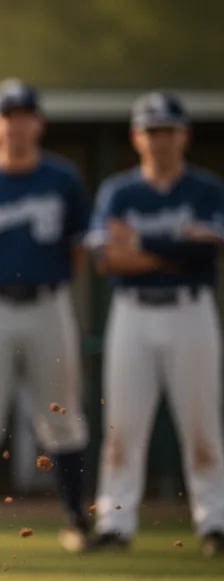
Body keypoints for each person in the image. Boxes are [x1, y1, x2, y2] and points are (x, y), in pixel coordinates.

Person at [0, 79, 91, 551]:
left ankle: (76, 520)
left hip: (49, 302)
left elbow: (78, 250)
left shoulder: (62, 178)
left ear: (38, 123)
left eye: (25, 114)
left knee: (62, 414)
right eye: (7, 116)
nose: (16, 125)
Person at [86, 92, 224, 557]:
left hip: (192, 311)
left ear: (183, 136)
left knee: (202, 422)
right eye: (151, 131)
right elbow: (108, 259)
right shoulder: (120, 191)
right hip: (133, 313)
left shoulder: (206, 189)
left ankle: (216, 523)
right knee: (123, 425)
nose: (159, 140)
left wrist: (141, 242)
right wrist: (175, 248)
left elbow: (206, 252)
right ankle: (115, 524)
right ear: (136, 138)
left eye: (167, 131)